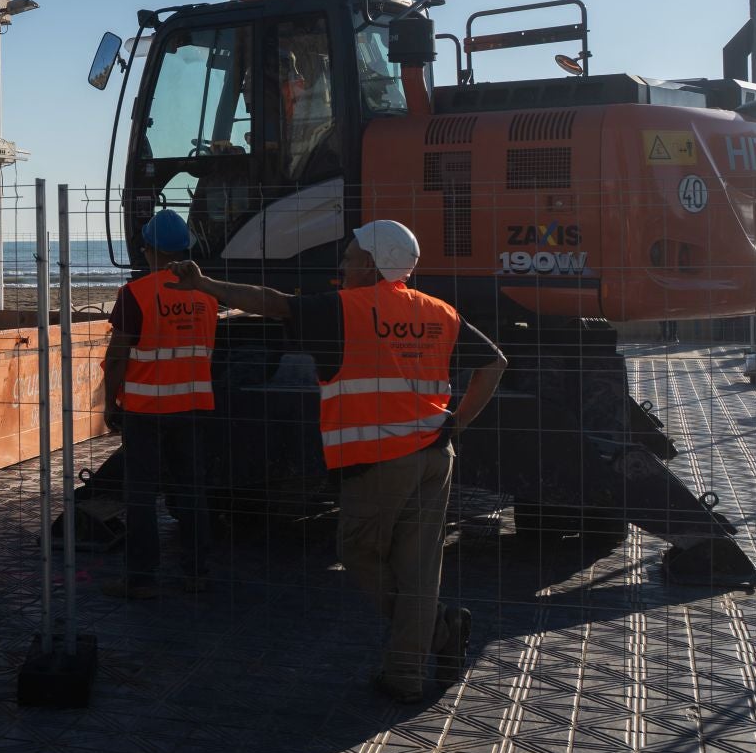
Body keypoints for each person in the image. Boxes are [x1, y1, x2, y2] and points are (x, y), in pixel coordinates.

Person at [168, 220, 507, 702]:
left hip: (379, 460)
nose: (342, 265)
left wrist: (206, 284)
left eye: (348, 256)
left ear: (369, 263)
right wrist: (458, 423)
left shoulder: (345, 310)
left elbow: (271, 302)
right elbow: (495, 363)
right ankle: (407, 672)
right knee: (419, 570)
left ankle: (437, 637)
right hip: (435, 454)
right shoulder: (440, 312)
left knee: (359, 553)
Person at [99, 209, 219, 600]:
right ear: (186, 248)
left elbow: (119, 354)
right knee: (191, 490)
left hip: (146, 409)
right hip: (194, 405)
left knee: (140, 495)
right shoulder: (207, 293)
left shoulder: (136, 294)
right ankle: (197, 572)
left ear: (149, 249)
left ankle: (141, 578)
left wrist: (109, 402)